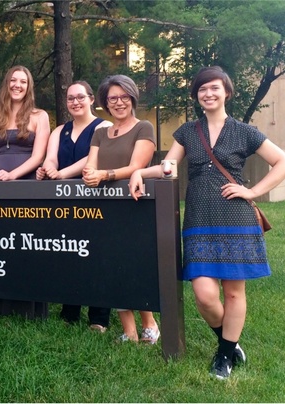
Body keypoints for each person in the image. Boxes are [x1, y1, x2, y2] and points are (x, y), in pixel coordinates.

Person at [129, 66, 285, 379]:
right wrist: (138, 172)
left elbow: (283, 163)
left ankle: (224, 357)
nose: (208, 93)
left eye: (214, 88)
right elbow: (168, 166)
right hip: (199, 219)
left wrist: (252, 191)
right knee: (204, 296)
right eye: (202, 89)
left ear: (226, 92)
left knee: (233, 292)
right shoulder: (188, 132)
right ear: (197, 95)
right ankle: (228, 343)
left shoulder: (245, 131)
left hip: (236, 218)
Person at [82, 74, 160, 344]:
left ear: (132, 98)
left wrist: (103, 175)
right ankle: (129, 330)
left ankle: (150, 323)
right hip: (104, 208)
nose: (118, 102)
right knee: (112, 265)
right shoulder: (100, 132)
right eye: (112, 98)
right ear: (105, 102)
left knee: (134, 265)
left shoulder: (144, 128)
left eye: (123, 96)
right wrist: (90, 174)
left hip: (134, 204)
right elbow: (90, 165)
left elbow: (136, 166)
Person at [36, 80, 112, 332]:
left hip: (96, 200)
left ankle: (98, 317)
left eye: (80, 97)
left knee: (97, 256)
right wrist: (46, 169)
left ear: (92, 99)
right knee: (69, 253)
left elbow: (93, 159)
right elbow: (50, 158)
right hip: (66, 202)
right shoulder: (59, 131)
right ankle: (70, 312)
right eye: (70, 98)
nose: (75, 102)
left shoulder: (104, 126)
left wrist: (62, 174)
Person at [0, 65, 50, 316]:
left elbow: (38, 156)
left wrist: (12, 175)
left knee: (30, 244)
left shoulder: (39, 116)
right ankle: (5, 306)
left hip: (27, 184)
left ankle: (34, 307)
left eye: (23, 81)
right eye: (13, 80)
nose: (17, 85)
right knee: (3, 243)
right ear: (6, 84)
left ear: (29, 86)